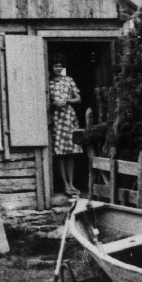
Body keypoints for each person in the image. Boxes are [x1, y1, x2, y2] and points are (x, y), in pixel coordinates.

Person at [49, 53, 83, 196]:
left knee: (71, 152)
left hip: (69, 118)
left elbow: (78, 99)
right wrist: (54, 103)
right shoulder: (48, 82)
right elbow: (45, 102)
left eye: (60, 66)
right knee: (60, 153)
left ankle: (72, 183)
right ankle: (65, 185)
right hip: (57, 119)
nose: (58, 68)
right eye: (55, 66)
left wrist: (68, 101)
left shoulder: (69, 80)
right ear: (51, 67)